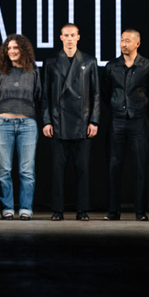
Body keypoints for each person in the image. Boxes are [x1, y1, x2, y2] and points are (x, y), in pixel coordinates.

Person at [41, 24, 100, 221]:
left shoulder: (90, 62)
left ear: (78, 37)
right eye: (66, 35)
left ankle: (82, 210)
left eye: (72, 35)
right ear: (60, 37)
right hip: (58, 123)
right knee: (58, 171)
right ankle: (57, 210)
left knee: (82, 170)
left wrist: (94, 120)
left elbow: (96, 94)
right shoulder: (50, 62)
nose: (69, 38)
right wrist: (47, 121)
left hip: (82, 123)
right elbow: (45, 96)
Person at [101, 29, 149, 221]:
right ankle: (113, 211)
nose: (123, 43)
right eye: (121, 40)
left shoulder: (147, 67)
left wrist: (142, 111)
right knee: (114, 166)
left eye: (127, 40)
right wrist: (116, 108)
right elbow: (105, 93)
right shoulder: (112, 66)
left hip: (138, 121)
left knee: (140, 167)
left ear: (137, 43)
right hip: (117, 120)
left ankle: (140, 212)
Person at [0, 34, 42, 220]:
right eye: (9, 48)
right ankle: (7, 209)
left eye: (15, 48)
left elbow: (37, 95)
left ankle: (26, 209)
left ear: (23, 50)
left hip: (27, 123)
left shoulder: (33, 71)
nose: (11, 51)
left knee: (26, 170)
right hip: (2, 124)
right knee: (4, 170)